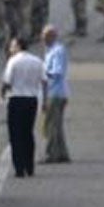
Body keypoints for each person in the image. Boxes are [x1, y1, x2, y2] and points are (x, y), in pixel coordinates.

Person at [1, 35, 45, 177]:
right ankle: (29, 166)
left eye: (12, 46)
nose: (10, 49)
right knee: (28, 133)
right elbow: (44, 81)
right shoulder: (37, 61)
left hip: (16, 100)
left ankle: (19, 168)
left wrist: (2, 92)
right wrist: (45, 101)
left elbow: (7, 82)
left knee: (16, 135)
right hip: (32, 100)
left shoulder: (13, 61)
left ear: (19, 46)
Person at [40, 24, 71, 164]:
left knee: (51, 125)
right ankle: (62, 153)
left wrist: (43, 75)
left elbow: (57, 72)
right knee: (57, 125)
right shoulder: (51, 50)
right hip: (55, 92)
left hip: (56, 93)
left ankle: (51, 153)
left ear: (52, 36)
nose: (42, 39)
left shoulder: (57, 51)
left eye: (45, 36)